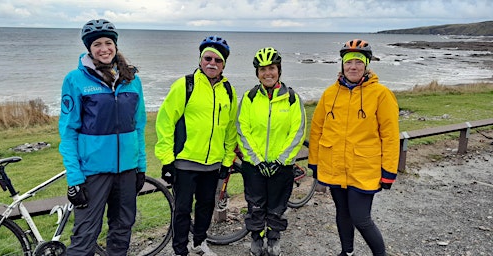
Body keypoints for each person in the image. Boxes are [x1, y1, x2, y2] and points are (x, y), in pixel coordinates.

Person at [59, 19, 147, 255]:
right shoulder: (75, 80)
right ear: (89, 49)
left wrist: (141, 167)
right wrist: (75, 179)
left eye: (108, 42)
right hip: (94, 172)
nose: (104, 48)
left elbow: (139, 126)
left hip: (127, 170)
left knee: (122, 230)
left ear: (116, 46)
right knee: (85, 235)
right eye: (97, 44)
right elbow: (68, 134)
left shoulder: (131, 79)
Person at [308, 39, 399, 256]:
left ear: (367, 65)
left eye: (359, 62)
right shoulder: (330, 93)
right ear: (342, 65)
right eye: (349, 62)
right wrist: (315, 162)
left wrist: (389, 172)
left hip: (364, 168)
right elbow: (317, 129)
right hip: (334, 165)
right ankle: (347, 252)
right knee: (342, 213)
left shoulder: (381, 94)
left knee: (361, 218)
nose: (353, 67)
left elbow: (390, 135)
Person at [155, 35, 238, 256]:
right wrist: (167, 159)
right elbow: (165, 122)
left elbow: (230, 128)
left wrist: (227, 160)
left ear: (224, 64)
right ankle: (180, 249)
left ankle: (200, 243)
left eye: (217, 60)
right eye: (207, 58)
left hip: (213, 164)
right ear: (201, 60)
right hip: (185, 162)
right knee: (182, 210)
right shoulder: (185, 84)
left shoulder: (228, 90)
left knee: (205, 207)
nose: (212, 63)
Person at [236, 47, 306, 256]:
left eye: (272, 68)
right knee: (256, 205)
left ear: (279, 70)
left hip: (281, 166)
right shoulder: (249, 97)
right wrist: (257, 160)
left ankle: (274, 239)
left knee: (277, 206)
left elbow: (298, 131)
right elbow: (242, 128)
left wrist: (280, 160)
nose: (268, 73)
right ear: (257, 73)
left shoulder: (292, 98)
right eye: (263, 69)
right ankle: (256, 239)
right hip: (254, 165)